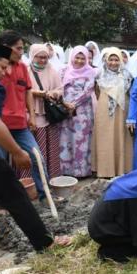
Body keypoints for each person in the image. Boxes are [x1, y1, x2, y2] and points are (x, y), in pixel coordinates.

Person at [0, 42, 71, 250]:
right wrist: (17, 152)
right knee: (16, 196)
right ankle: (45, 243)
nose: (5, 73)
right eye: (3, 67)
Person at [0, 31, 49, 199]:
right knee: (0, 164)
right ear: (5, 48)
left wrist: (32, 117)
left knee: (36, 158)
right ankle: (3, 203)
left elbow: (27, 92)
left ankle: (44, 196)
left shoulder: (22, 68)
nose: (21, 52)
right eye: (18, 48)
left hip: (20, 125)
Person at [22, 44, 63, 180]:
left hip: (48, 115)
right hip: (31, 113)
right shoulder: (26, 71)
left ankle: (50, 178)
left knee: (49, 148)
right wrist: (36, 93)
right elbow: (21, 90)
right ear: (33, 56)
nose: (43, 60)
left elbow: (60, 89)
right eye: (39, 57)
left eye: (45, 57)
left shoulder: (52, 71)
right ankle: (31, 180)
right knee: (33, 150)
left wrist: (53, 93)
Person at [93, 48, 133, 178]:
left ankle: (122, 168)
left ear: (121, 61)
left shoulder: (127, 75)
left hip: (121, 111)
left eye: (116, 60)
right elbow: (97, 92)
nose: (113, 63)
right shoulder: (100, 74)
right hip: (104, 111)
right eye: (111, 59)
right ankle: (104, 171)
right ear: (106, 60)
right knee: (105, 138)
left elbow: (131, 93)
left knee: (120, 136)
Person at [59, 46, 96, 178]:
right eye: (77, 57)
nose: (79, 61)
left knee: (81, 140)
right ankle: (65, 170)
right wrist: (65, 104)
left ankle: (81, 171)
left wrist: (72, 104)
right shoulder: (64, 70)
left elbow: (87, 91)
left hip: (82, 113)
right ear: (72, 57)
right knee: (65, 139)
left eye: (83, 58)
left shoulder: (91, 72)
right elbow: (59, 87)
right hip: (64, 111)